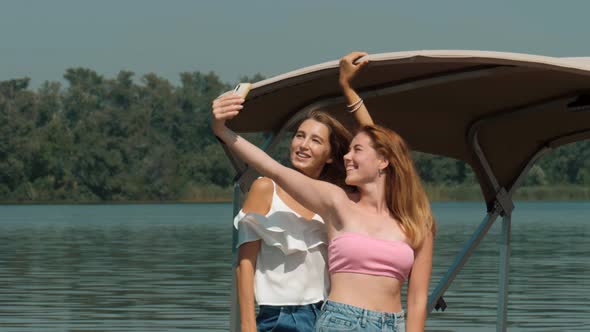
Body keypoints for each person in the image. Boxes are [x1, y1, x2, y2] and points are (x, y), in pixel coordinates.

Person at [233, 52, 373, 332]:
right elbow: (244, 265)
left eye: (315, 140)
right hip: (280, 318)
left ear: (331, 155)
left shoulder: (336, 198)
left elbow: (376, 146)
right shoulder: (265, 188)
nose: (303, 144)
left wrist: (347, 88)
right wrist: (248, 326)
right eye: (299, 135)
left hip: (330, 313)